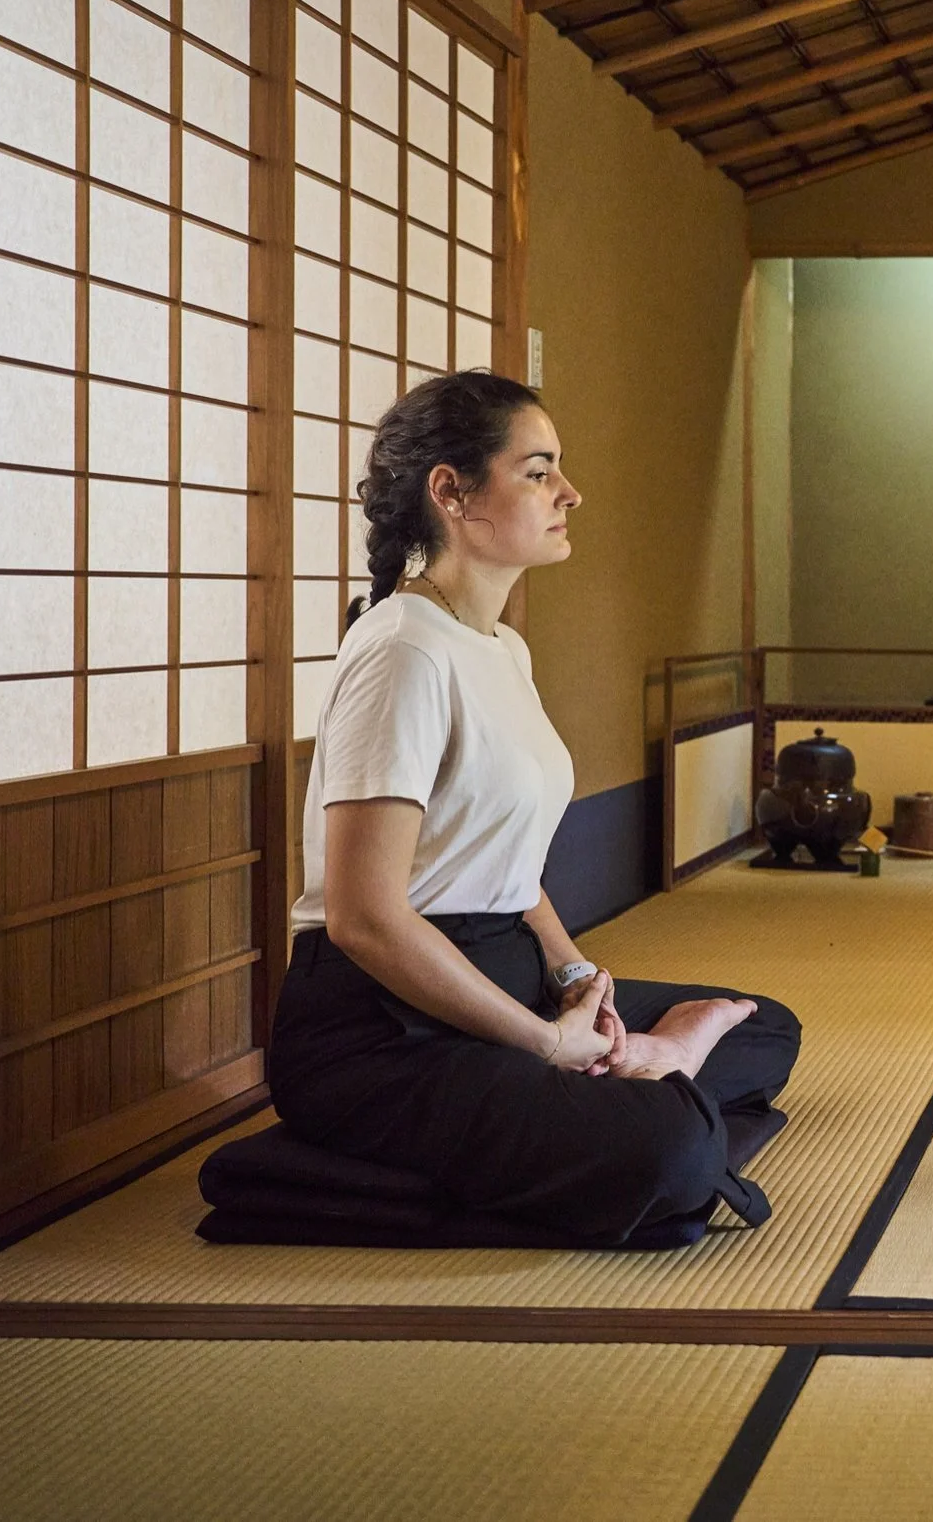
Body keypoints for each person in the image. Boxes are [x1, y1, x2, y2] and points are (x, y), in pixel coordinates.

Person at [267, 370, 799, 1246]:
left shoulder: (501, 647)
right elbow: (365, 920)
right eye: (539, 471)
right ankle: (639, 1088)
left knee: (765, 1025)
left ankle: (652, 1066)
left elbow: (506, 865)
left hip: (502, 967)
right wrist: (544, 1045)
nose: (570, 493)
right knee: (675, 1155)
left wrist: (574, 976)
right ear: (452, 491)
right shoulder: (402, 651)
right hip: (382, 1028)